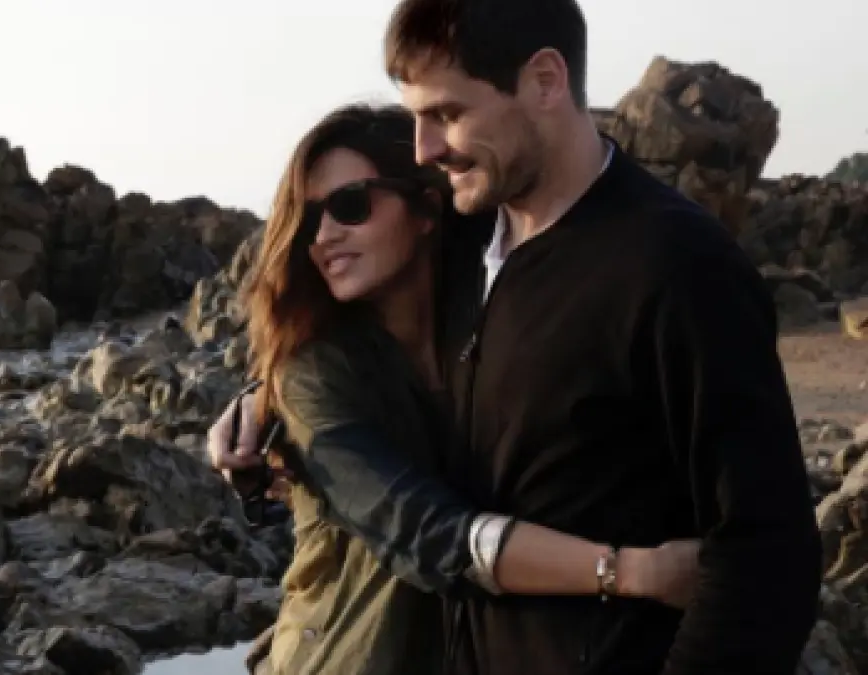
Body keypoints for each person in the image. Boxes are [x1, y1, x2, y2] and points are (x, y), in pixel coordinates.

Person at [213, 0, 824, 673]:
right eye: (416, 119)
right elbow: (424, 502)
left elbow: (764, 553)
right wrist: (263, 402)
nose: (426, 150)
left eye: (448, 114)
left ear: (544, 81)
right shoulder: (475, 256)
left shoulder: (672, 264)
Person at [233, 102, 700, 675]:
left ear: (426, 209)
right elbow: (425, 532)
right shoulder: (314, 375)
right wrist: (628, 572)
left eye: (351, 206)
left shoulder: (490, 321)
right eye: (308, 221)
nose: (325, 236)